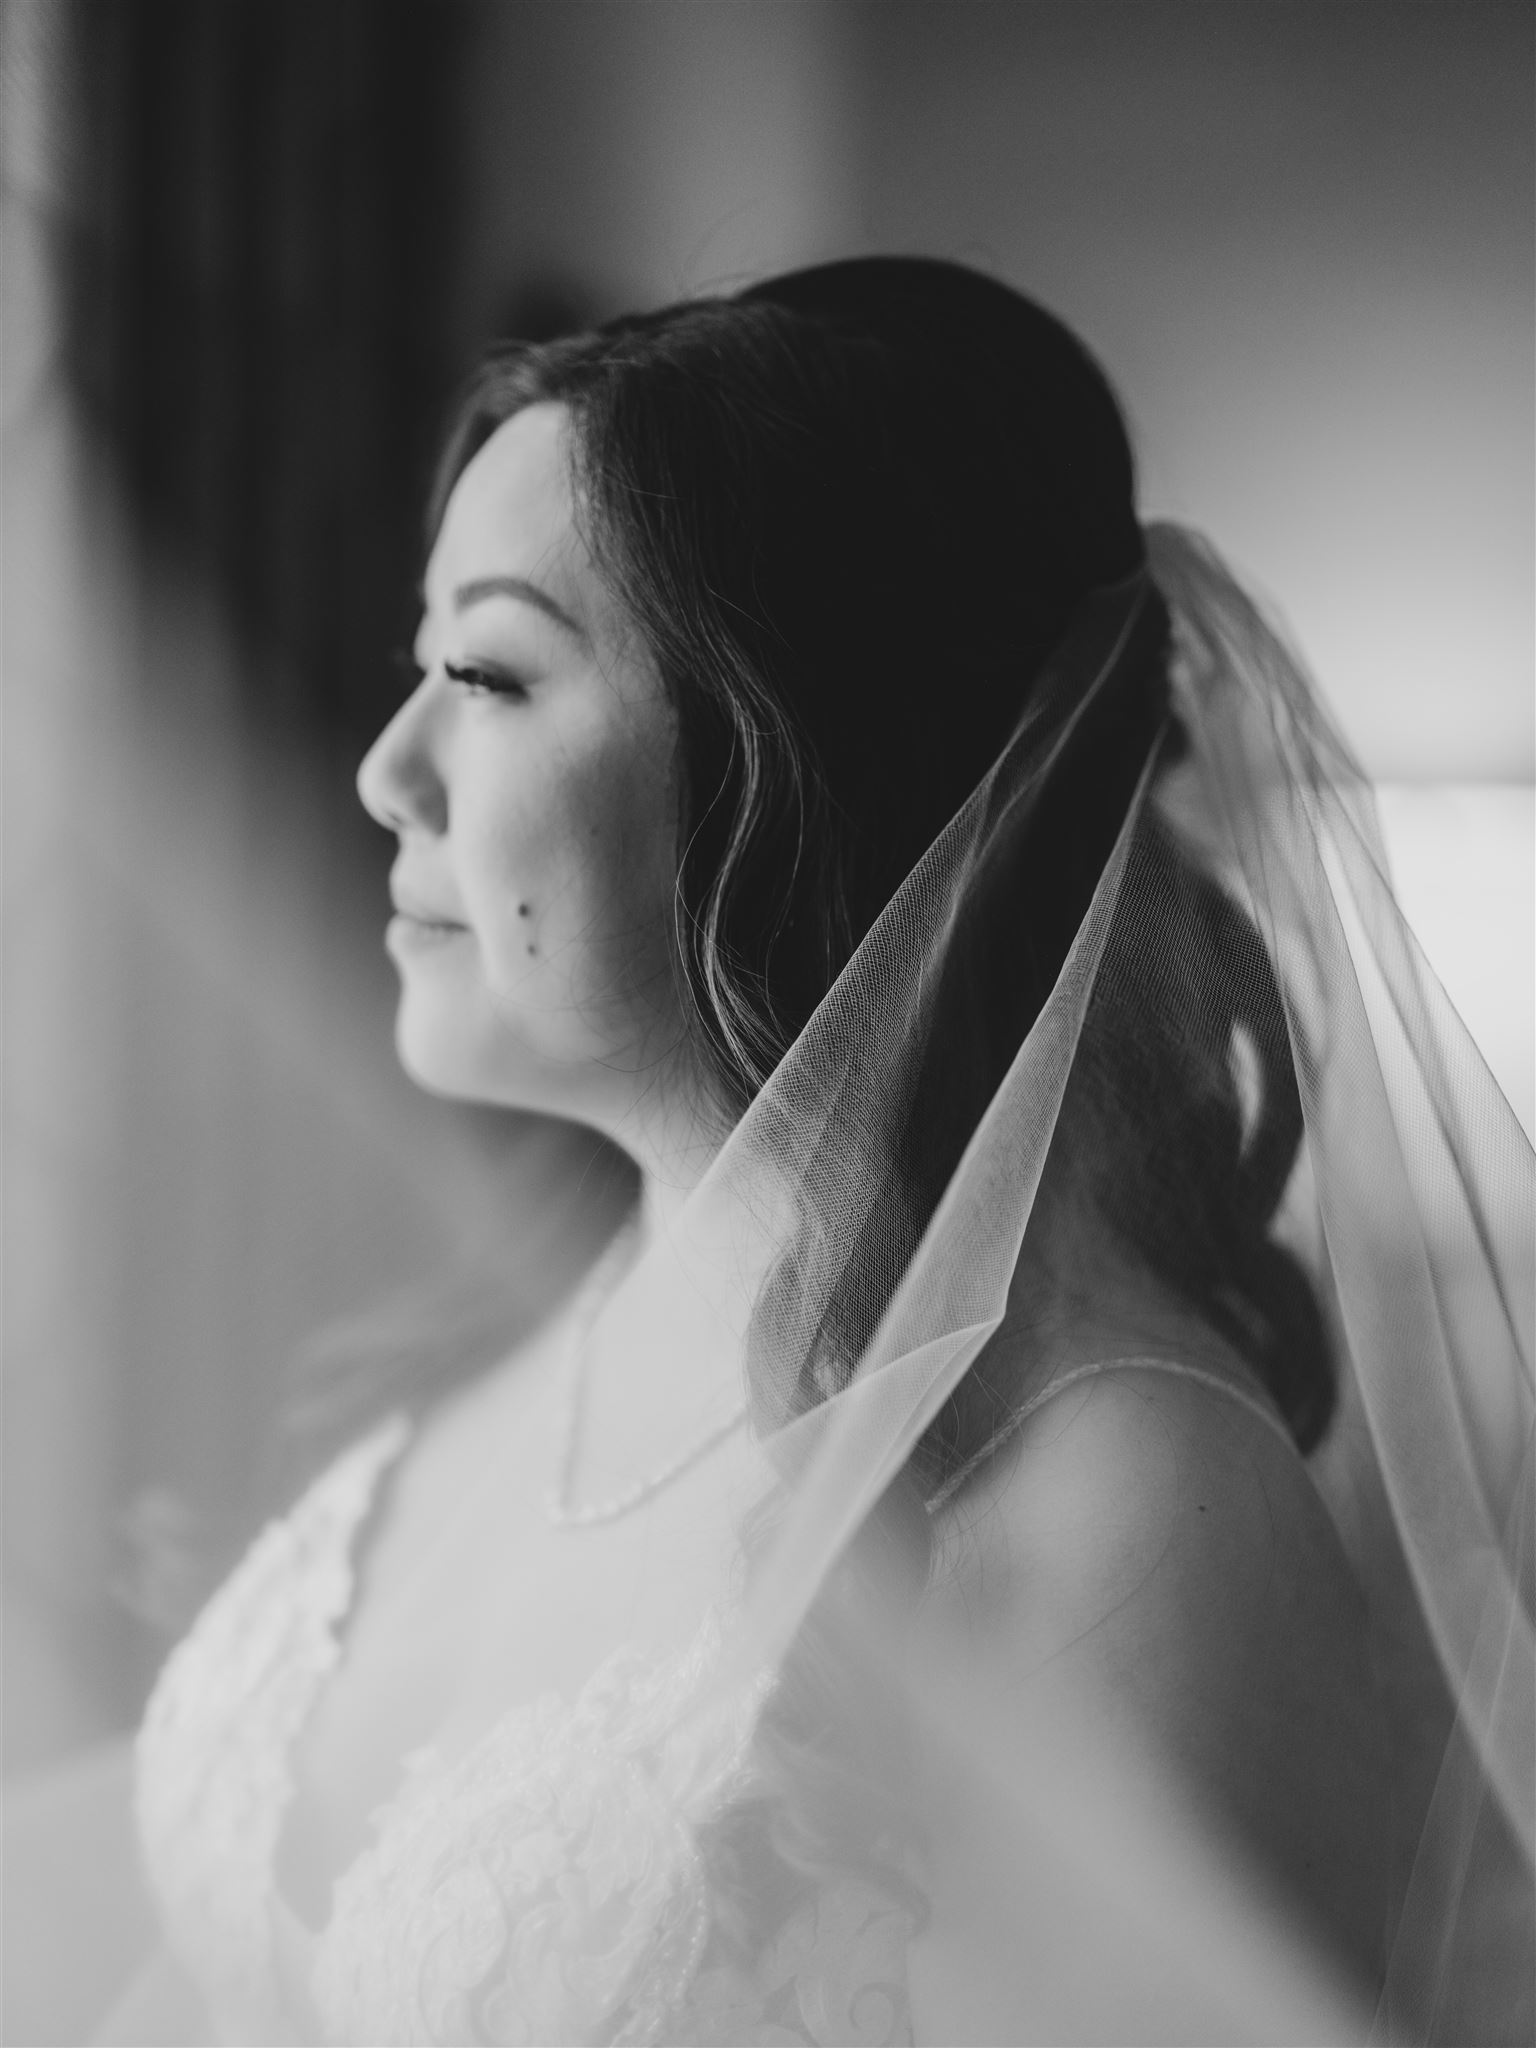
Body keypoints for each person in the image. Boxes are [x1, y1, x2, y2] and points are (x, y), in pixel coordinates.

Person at [103, 258, 1530, 2044]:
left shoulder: (1125, 1510)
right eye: (423, 664)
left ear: (800, 758)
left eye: (488, 670)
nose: (391, 769)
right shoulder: (493, 1334)